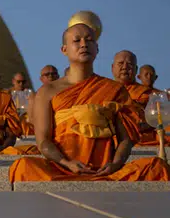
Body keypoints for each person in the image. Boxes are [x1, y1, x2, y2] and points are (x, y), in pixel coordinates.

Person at [9, 24, 170, 182]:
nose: (84, 44)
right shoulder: (47, 91)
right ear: (64, 49)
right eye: (77, 40)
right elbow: (43, 141)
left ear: (97, 49)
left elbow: (125, 140)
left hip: (105, 172)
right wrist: (67, 163)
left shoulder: (113, 89)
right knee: (23, 166)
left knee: (157, 167)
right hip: (61, 170)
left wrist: (115, 164)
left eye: (89, 40)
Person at [111, 50, 159, 146]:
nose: (125, 67)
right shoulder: (102, 89)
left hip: (140, 138)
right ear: (112, 68)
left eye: (130, 64)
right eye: (120, 63)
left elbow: (159, 119)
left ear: (136, 70)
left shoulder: (148, 94)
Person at [10, 71, 34, 136]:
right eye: (18, 82)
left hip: (27, 119)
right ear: (13, 81)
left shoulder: (30, 93)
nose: (21, 84)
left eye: (23, 82)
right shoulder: (8, 93)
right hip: (13, 119)